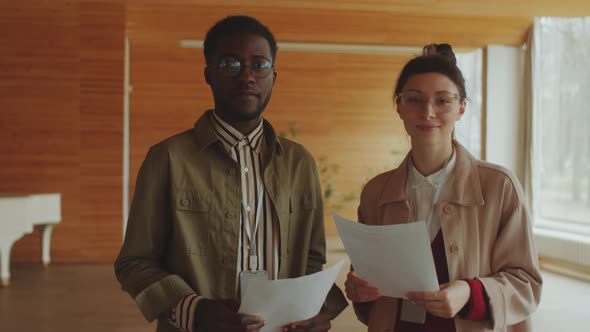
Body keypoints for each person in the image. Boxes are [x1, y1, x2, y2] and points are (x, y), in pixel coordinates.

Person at [115, 15, 347, 332]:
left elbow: (310, 261)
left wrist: (316, 311)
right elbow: (135, 263)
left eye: (259, 64)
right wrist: (192, 310)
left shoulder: (298, 162)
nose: (247, 76)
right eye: (230, 64)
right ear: (208, 74)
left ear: (273, 76)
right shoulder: (168, 158)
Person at [344, 44, 542, 332]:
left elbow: (526, 284)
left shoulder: (500, 186)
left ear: (461, 107)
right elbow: (367, 276)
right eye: (414, 99)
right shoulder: (375, 192)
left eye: (442, 100)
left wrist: (470, 292)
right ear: (399, 106)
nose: (427, 111)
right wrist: (358, 288)